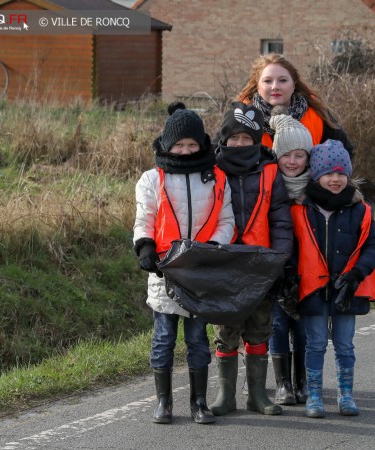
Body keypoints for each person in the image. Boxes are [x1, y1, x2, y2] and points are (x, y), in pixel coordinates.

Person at [133, 102, 235, 425]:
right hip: (164, 272)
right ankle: (163, 402)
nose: (187, 150)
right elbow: (145, 217)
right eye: (180, 144)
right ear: (167, 144)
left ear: (202, 144)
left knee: (197, 339)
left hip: (199, 272)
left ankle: (199, 402)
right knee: (163, 338)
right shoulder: (152, 179)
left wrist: (214, 249)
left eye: (192, 144)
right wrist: (145, 246)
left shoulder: (216, 178)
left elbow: (226, 220)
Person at [209, 101, 293, 416]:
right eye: (235, 138)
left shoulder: (271, 171)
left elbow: (281, 220)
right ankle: (225, 396)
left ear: (258, 140)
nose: (241, 144)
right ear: (224, 138)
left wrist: (281, 258)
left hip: (261, 264)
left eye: (248, 139)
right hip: (225, 262)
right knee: (226, 329)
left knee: (259, 328)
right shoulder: (212, 169)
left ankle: (257, 395)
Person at [291, 139, 375, 419]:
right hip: (313, 288)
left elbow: (372, 246)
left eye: (342, 173)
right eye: (329, 173)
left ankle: (346, 394)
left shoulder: (361, 209)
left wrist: (356, 274)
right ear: (316, 174)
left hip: (347, 289)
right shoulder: (301, 208)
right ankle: (315, 395)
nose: (336, 179)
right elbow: (293, 248)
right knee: (315, 343)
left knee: (345, 344)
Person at [267, 107, 313, 405]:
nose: (293, 161)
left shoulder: (318, 188)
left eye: (299, 155)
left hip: (309, 271)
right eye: (286, 155)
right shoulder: (271, 185)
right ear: (277, 155)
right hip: (277, 269)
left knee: (304, 327)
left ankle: (302, 380)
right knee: (278, 324)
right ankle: (282, 383)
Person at [237, 53, 354, 159]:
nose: (275, 87)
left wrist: (320, 176)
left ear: (294, 85)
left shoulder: (316, 113)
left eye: (283, 80)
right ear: (258, 86)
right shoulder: (242, 116)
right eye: (267, 81)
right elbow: (221, 154)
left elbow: (345, 152)